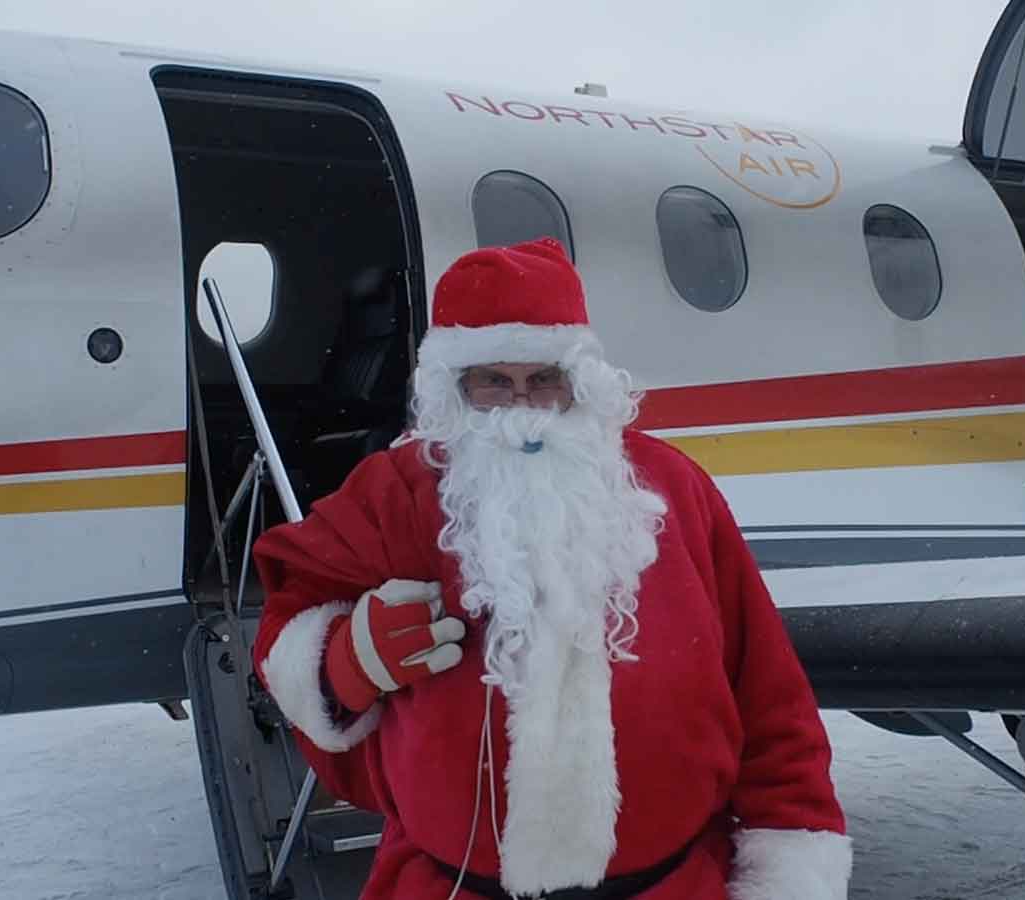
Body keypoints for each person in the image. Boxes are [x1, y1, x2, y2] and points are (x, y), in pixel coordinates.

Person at [252, 238, 851, 900]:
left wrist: (789, 854)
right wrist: (348, 660)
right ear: (456, 388)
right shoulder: (394, 492)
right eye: (493, 382)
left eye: (544, 380)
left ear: (581, 382)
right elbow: (287, 620)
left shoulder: (673, 488)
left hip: (675, 886)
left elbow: (768, 692)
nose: (523, 407)